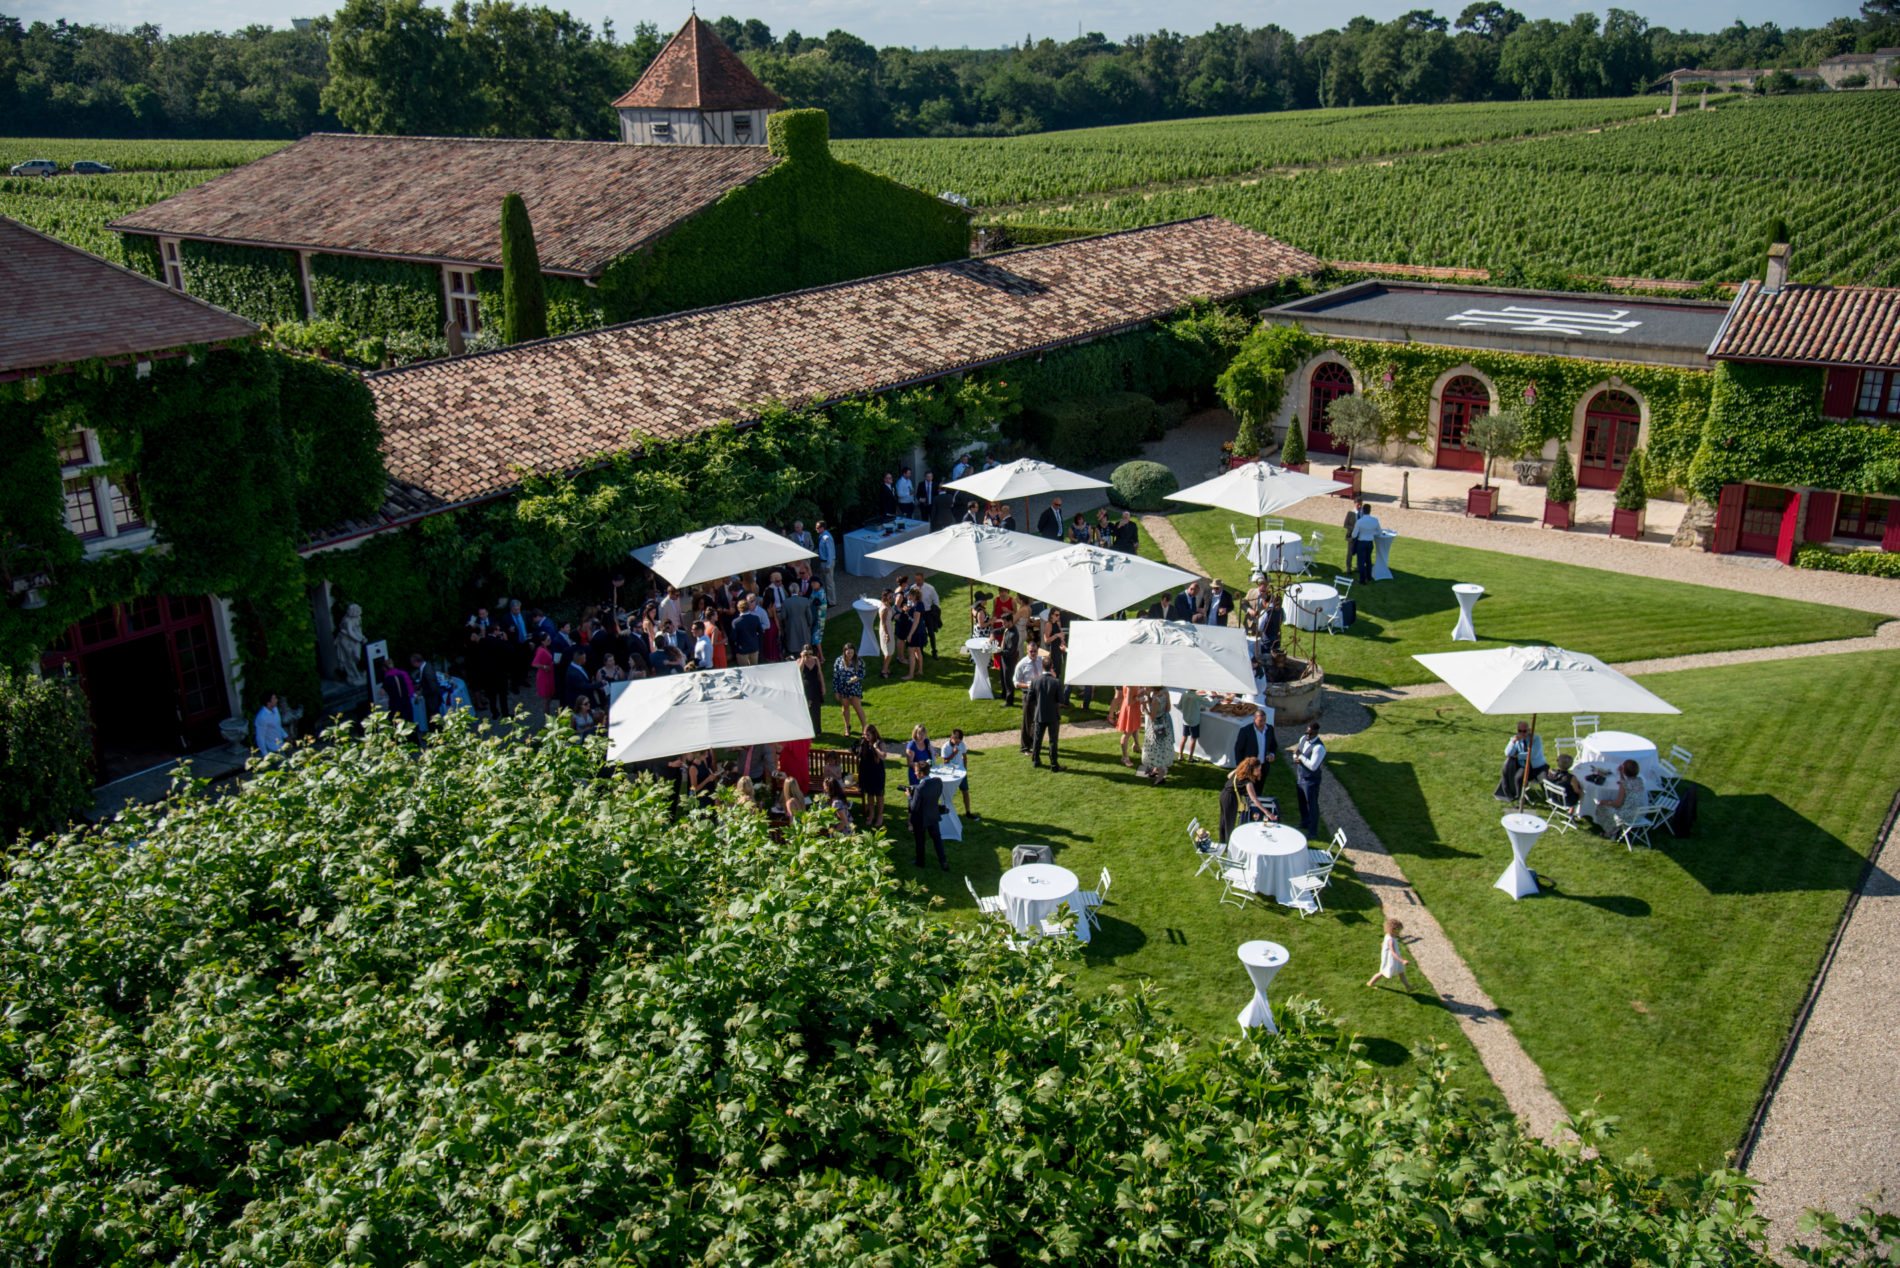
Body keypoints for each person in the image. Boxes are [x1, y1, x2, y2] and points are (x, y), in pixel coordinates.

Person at [1218, 757, 1276, 843]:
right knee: (1229, 822)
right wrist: (1267, 812)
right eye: (1258, 769)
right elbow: (1254, 799)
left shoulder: (1239, 773)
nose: (1260, 771)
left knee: (1224, 820)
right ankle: (1228, 846)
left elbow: (1229, 776)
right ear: (1252, 769)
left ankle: (1222, 842)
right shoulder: (1248, 782)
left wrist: (1239, 768)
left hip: (1223, 795)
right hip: (1230, 799)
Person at [1496, 721, 1549, 802]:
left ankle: (1550, 799)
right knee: (1518, 778)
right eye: (1520, 731)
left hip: (1539, 767)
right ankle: (1520, 797)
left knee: (1544, 781)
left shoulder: (1536, 739)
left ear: (1529, 730)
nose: (1522, 733)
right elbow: (1508, 753)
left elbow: (1533, 755)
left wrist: (1518, 756)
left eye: (1524, 731)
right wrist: (1513, 742)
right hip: (1525, 766)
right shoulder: (1515, 739)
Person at [1028, 652, 1063, 771]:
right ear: (1052, 666)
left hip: (1039, 714)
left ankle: (1035, 760)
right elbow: (1060, 699)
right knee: (1053, 740)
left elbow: (1029, 699)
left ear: (1042, 666)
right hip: (1053, 715)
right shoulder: (1056, 682)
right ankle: (1054, 764)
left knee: (1037, 739)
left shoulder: (1035, 681)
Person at [1292, 721, 1328, 836]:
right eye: (1307, 733)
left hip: (1311, 780)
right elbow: (1297, 751)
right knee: (1302, 802)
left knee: (1311, 805)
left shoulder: (1319, 748)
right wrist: (1296, 757)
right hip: (1301, 776)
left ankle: (1313, 831)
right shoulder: (1303, 739)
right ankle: (1304, 822)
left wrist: (1301, 757)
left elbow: (1313, 766)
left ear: (1316, 733)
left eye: (1310, 734)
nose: (1308, 736)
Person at [1592, 758, 1647, 834]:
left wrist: (1606, 802)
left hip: (1627, 816)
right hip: (1639, 814)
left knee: (1602, 807)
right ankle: (1616, 829)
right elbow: (1626, 782)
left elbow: (1618, 804)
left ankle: (1611, 831)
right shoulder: (1640, 780)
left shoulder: (1624, 785)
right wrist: (1621, 773)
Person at [908, 768, 948, 871]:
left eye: (916, 771)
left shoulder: (919, 789)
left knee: (920, 840)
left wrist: (909, 797)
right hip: (933, 814)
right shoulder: (937, 782)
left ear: (921, 773)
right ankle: (943, 861)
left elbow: (913, 807)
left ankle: (920, 861)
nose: (915, 772)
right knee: (937, 839)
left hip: (921, 819)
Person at [1138, 685, 1175, 785]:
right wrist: (1149, 698)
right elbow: (1167, 709)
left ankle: (1161, 776)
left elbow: (1152, 718)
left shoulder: (1156, 699)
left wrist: (1145, 710)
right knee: (1161, 748)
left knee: (1155, 749)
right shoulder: (1163, 693)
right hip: (1164, 723)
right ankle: (1158, 772)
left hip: (1156, 726)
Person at [938, 727, 975, 818]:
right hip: (950, 774)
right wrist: (953, 754)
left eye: (960, 741)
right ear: (952, 738)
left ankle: (968, 812)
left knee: (965, 791)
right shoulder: (945, 747)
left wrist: (965, 769)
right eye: (957, 741)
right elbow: (945, 762)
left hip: (961, 772)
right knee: (949, 795)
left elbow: (964, 757)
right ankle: (946, 813)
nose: (959, 743)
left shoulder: (962, 744)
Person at [1367, 918, 1412, 991]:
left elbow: (1383, 944)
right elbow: (1393, 952)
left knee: (1401, 972)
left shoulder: (1388, 936)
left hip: (1394, 958)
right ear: (1392, 930)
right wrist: (1402, 961)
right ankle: (1370, 983)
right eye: (1397, 931)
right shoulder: (1391, 940)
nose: (1399, 933)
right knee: (1382, 972)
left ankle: (1408, 986)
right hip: (1391, 959)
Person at [857, 725, 888, 827]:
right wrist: (860, 745)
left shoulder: (880, 743)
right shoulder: (864, 743)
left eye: (868, 735)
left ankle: (879, 815)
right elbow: (858, 755)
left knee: (879, 795)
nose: (866, 737)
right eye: (865, 735)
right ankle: (871, 814)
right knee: (870, 795)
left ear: (874, 734)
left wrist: (875, 748)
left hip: (877, 773)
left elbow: (883, 756)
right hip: (867, 772)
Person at [1014, 637, 1042, 752]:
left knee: (1038, 720)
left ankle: (1035, 742)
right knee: (1027, 721)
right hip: (1028, 694)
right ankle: (1025, 747)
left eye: (1035, 651)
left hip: (1040, 694)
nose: (1034, 653)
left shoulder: (1041, 661)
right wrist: (1027, 685)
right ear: (1027, 651)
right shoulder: (1022, 664)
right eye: (1031, 651)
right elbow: (1015, 682)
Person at [833, 643, 867, 736]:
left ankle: (864, 728)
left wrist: (857, 677)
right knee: (845, 708)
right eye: (848, 653)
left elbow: (863, 672)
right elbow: (835, 676)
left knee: (857, 707)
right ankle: (847, 728)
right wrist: (836, 691)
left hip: (854, 687)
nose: (850, 655)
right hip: (843, 688)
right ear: (844, 652)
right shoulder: (839, 661)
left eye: (851, 653)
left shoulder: (858, 661)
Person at [796, 643, 825, 735]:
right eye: (806, 654)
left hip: (816, 686)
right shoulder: (800, 661)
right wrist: (803, 659)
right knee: (808, 708)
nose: (808, 656)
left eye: (809, 654)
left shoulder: (816, 660)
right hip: (806, 688)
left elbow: (820, 674)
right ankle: (808, 729)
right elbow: (799, 672)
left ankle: (817, 730)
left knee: (816, 708)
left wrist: (823, 686)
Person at [1113, 684, 1143, 766]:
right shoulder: (1131, 684)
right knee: (1127, 732)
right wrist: (1140, 695)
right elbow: (1130, 702)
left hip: (1133, 707)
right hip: (1130, 708)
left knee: (1135, 728)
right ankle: (1124, 757)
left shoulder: (1133, 681)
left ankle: (1136, 745)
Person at [1351, 501, 1382, 584]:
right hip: (1369, 542)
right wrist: (1372, 533)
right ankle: (1369, 576)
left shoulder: (1360, 521)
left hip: (1361, 542)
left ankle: (1362, 579)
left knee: (1361, 562)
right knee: (1368, 560)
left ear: (1363, 511)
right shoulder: (1375, 520)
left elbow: (1354, 535)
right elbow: (1379, 532)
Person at [730, 597, 765, 667]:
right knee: (755, 669)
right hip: (754, 647)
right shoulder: (755, 618)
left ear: (739, 608)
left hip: (742, 650)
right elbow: (760, 632)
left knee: (744, 671)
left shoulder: (736, 622)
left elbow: (733, 637)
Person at [902, 589, 928, 679]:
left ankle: (911, 675)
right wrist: (907, 611)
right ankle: (920, 670)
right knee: (918, 650)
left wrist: (910, 635)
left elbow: (916, 621)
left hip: (915, 631)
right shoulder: (917, 604)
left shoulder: (917, 605)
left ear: (914, 596)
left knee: (911, 653)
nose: (908, 597)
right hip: (920, 629)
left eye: (909, 595)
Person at [531, 634, 558, 719]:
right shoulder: (541, 651)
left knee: (549, 698)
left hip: (549, 674)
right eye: (547, 640)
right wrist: (544, 666)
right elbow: (534, 664)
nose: (549, 641)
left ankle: (548, 715)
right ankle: (547, 717)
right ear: (542, 642)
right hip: (544, 676)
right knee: (546, 699)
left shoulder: (545, 649)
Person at [1176, 687, 1203, 763]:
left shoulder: (1184, 694)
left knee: (1184, 738)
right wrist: (1216, 699)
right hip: (1194, 721)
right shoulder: (1197, 697)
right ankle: (1190, 758)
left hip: (1186, 721)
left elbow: (1179, 706)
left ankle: (1180, 756)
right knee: (1193, 740)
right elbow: (1210, 704)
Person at [904, 723, 933, 789]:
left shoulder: (926, 741)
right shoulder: (911, 746)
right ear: (915, 734)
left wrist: (934, 754)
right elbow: (909, 763)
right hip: (916, 775)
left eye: (923, 734)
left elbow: (930, 753)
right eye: (919, 734)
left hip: (926, 773)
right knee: (916, 794)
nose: (921, 736)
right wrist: (922, 765)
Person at [918, 576, 942, 657]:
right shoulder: (913, 588)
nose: (918, 581)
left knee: (931, 633)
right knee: (920, 632)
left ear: (923, 580)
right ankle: (920, 651)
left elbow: (936, 599)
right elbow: (910, 600)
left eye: (919, 580)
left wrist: (935, 609)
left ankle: (934, 651)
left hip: (928, 613)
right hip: (919, 613)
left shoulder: (930, 588)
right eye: (916, 580)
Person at [877, 588, 898, 678]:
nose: (892, 598)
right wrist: (886, 635)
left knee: (889, 651)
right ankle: (884, 671)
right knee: (889, 652)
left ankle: (886, 667)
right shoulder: (884, 608)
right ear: (885, 597)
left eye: (892, 596)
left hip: (889, 627)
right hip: (886, 630)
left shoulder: (887, 604)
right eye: (890, 596)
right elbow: (883, 623)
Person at [814, 521, 836, 596]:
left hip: (827, 562)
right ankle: (827, 599)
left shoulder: (827, 538)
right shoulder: (821, 536)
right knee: (825, 582)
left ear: (822, 528)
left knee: (829, 583)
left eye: (817, 528)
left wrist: (828, 566)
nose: (816, 529)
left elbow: (830, 553)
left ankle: (832, 601)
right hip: (823, 561)